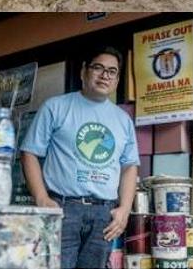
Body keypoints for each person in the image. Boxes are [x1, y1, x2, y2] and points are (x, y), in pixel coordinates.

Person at [20, 46, 139, 269]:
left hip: (104, 213)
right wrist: (41, 197)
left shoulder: (123, 120)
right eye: (99, 68)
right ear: (84, 71)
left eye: (112, 71)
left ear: (116, 79)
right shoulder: (56, 107)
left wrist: (124, 209)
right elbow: (29, 153)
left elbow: (129, 166)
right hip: (63, 209)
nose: (105, 75)